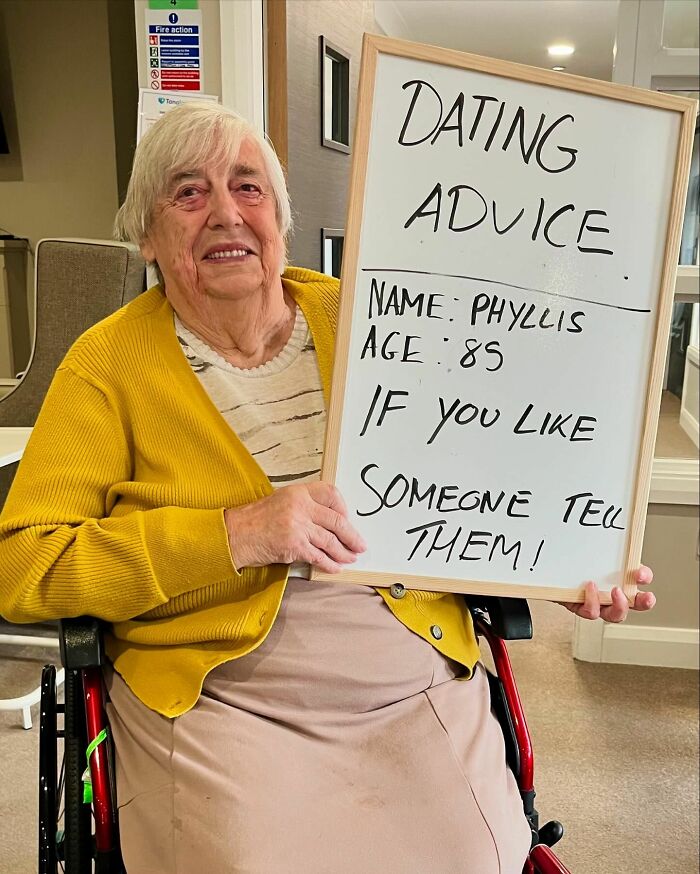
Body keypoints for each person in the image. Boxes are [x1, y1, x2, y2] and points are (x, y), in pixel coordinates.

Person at [0, 103, 655, 874]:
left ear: (280, 218)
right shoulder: (106, 364)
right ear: (146, 235)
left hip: (406, 668)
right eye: (187, 193)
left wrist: (562, 559)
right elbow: (23, 566)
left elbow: (482, 471)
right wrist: (233, 535)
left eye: (248, 188)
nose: (223, 213)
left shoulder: (376, 319)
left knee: (478, 858)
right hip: (220, 692)